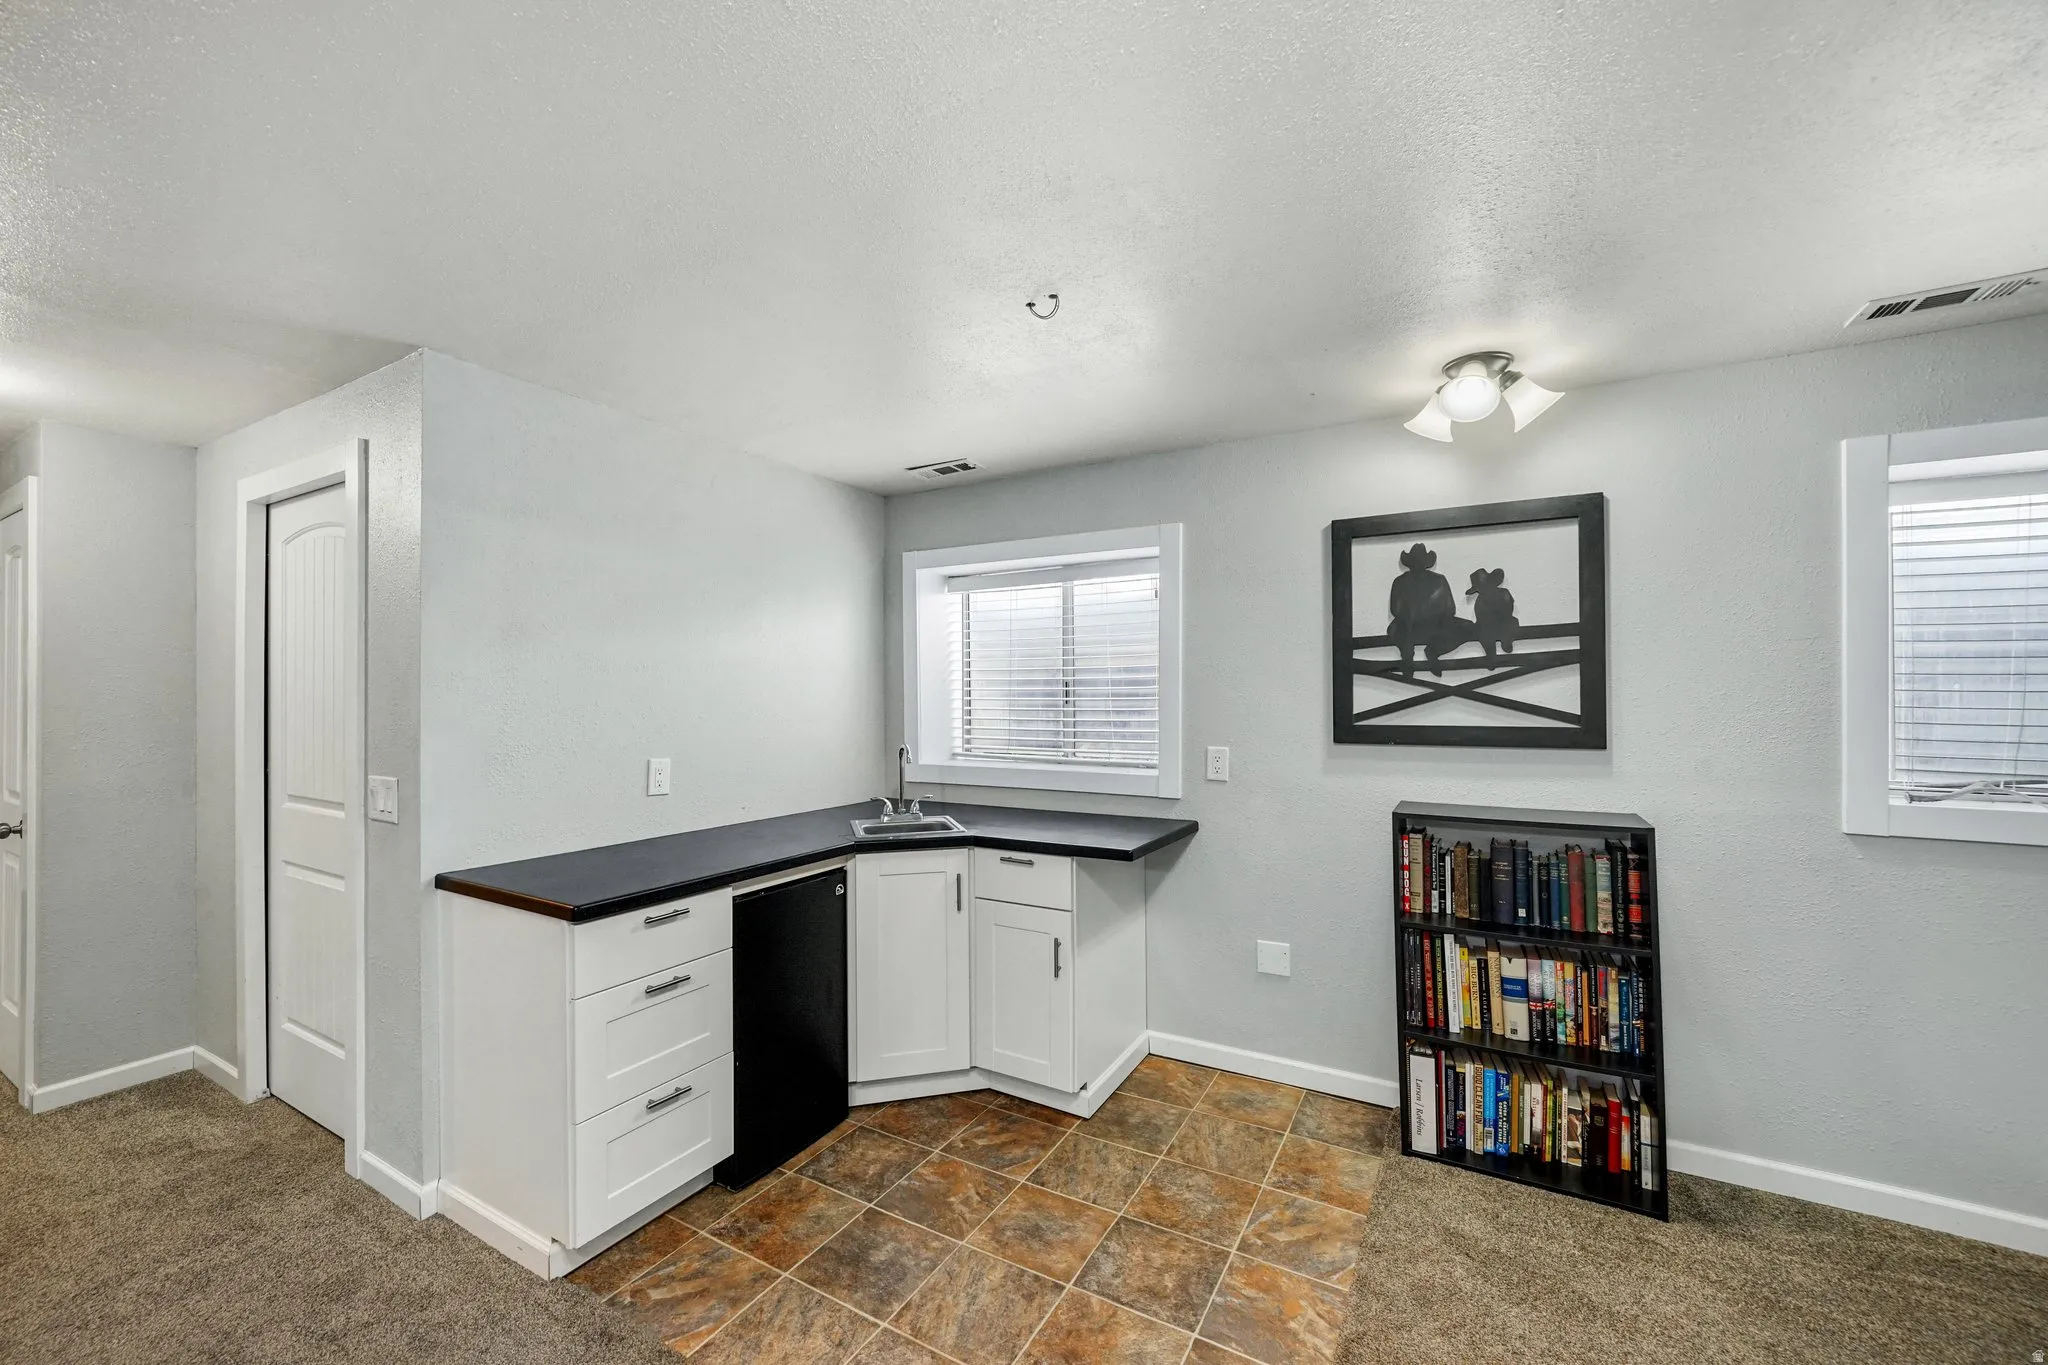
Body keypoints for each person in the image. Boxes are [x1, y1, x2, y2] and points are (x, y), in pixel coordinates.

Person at [1387, 543, 1458, 676]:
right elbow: (1395, 610)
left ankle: (1431, 651)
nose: (1418, 565)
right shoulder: (1401, 581)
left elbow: (1450, 609)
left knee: (1464, 627)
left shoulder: (1438, 580)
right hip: (1411, 627)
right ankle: (1409, 657)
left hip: (1431, 626)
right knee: (1398, 629)